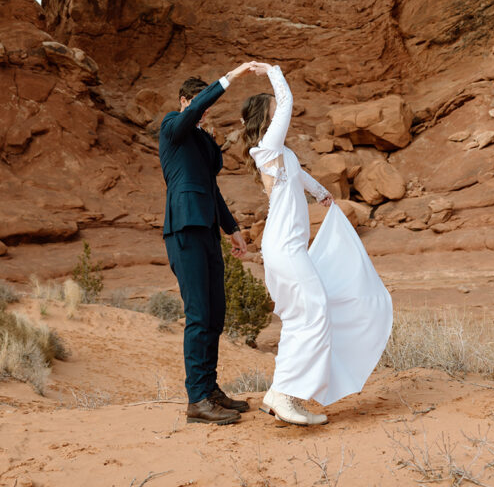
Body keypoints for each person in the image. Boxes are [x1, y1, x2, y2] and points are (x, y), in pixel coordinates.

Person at [241, 61, 393, 426]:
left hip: (289, 247)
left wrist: (323, 195)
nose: (283, 115)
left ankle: (281, 392)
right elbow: (288, 100)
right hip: (284, 248)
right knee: (316, 311)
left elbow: (300, 173)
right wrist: (272, 71)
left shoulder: (283, 154)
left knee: (301, 317)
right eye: (276, 112)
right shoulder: (266, 148)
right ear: (267, 117)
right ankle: (285, 395)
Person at [159, 61, 252, 425]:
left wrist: (232, 229)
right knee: (198, 314)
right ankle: (196, 399)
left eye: (204, 105)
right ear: (184, 101)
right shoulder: (172, 126)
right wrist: (230, 78)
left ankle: (209, 389)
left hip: (208, 228)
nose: (201, 109)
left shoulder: (203, 141)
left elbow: (212, 186)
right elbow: (192, 113)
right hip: (183, 227)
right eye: (195, 102)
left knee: (215, 312)